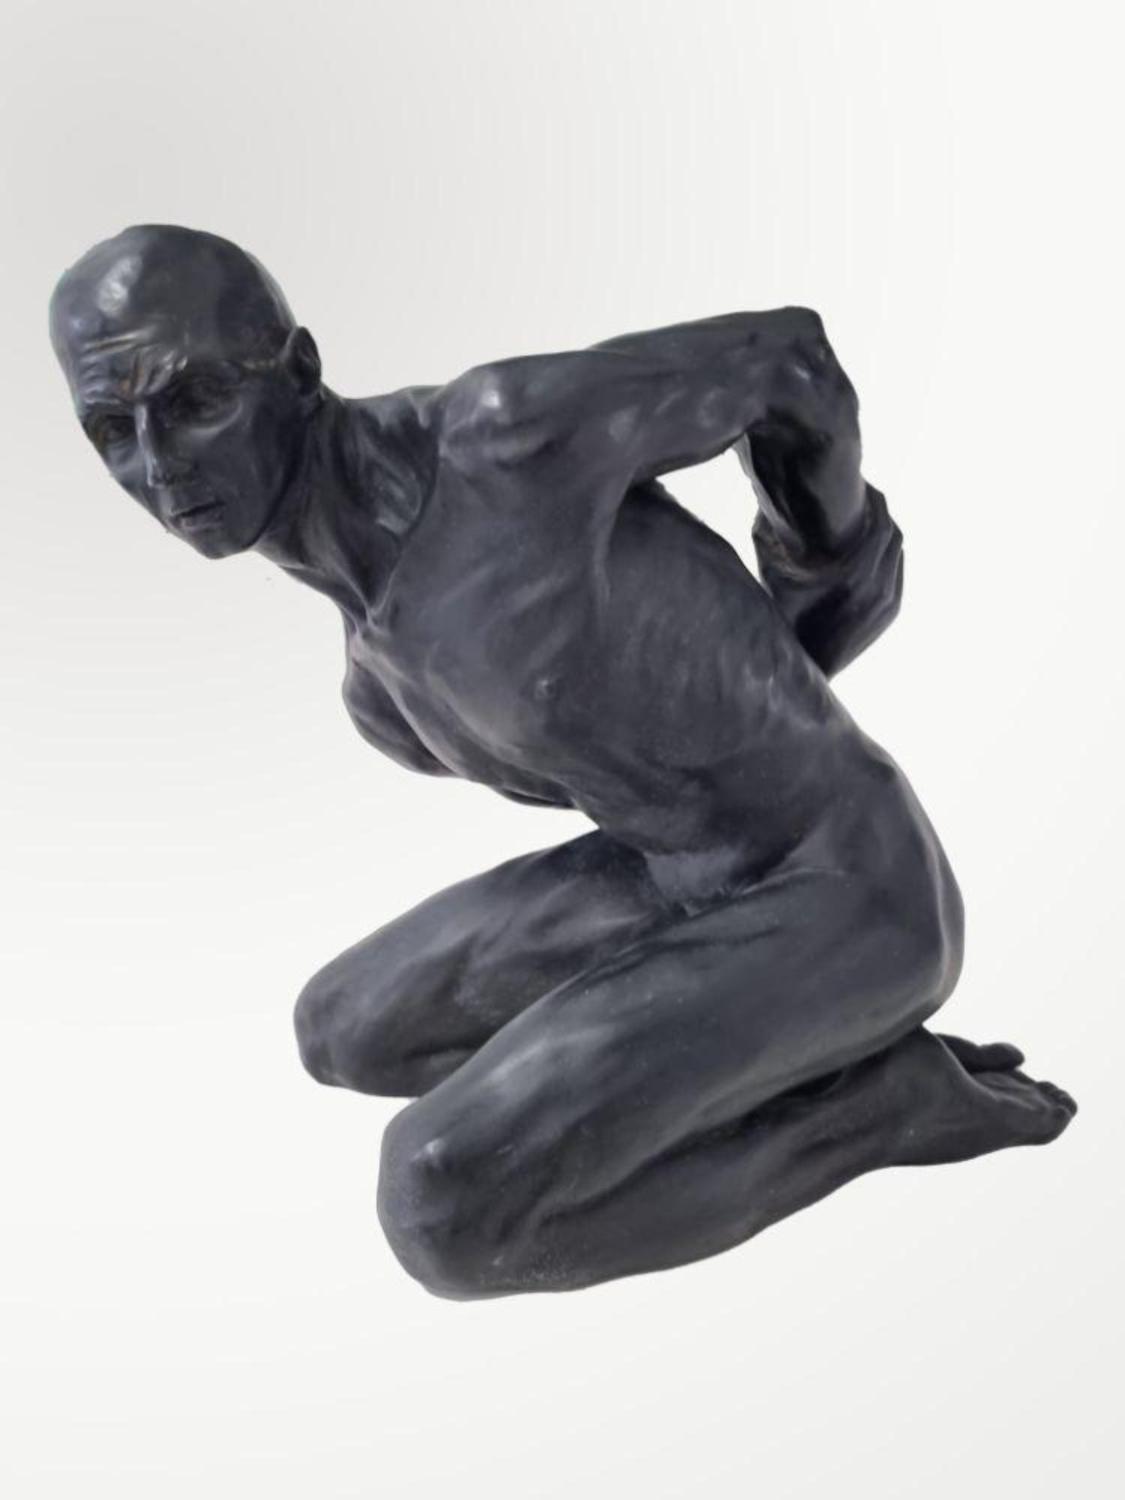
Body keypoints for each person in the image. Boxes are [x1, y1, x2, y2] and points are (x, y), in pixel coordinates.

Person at [50, 224, 1075, 1299]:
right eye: (112, 430)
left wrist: (828, 570)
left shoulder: (500, 444)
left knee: (441, 1209)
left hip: (853, 887)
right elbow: (644, 731)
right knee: (341, 1031)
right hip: (677, 880)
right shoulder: (380, 695)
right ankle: (749, 1053)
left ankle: (878, 1108)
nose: (161, 466)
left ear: (299, 372)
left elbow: (789, 359)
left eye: (196, 400)